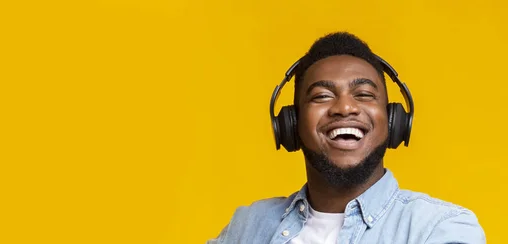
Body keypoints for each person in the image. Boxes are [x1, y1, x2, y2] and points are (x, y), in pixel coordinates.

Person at [207, 32, 486, 244]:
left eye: (364, 94)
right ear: (291, 124)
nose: (344, 108)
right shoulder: (248, 226)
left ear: (393, 120)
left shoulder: (440, 227)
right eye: (322, 96)